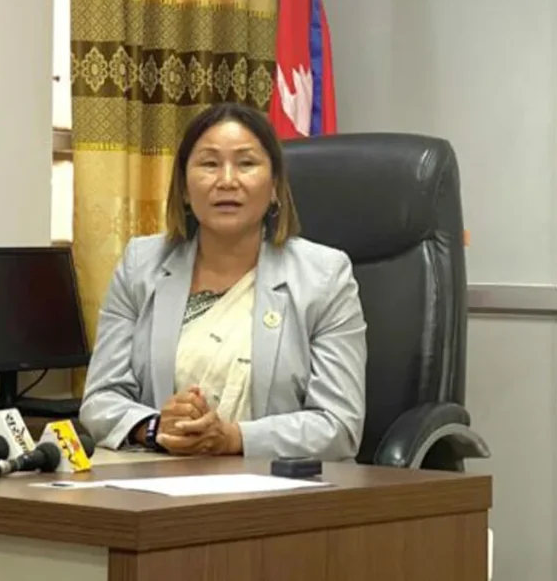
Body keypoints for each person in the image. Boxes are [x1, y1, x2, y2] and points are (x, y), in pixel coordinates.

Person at [78, 102, 367, 460]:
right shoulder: (142, 266)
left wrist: (233, 438)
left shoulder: (324, 276)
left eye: (246, 164)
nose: (227, 181)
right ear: (184, 188)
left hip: (280, 481)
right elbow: (100, 399)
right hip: (160, 476)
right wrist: (155, 428)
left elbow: (339, 425)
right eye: (209, 164)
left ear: (274, 186)